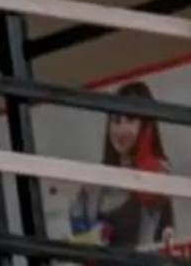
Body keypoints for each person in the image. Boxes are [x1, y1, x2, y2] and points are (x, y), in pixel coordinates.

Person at [66, 86, 176, 250]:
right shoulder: (94, 186)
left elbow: (163, 238)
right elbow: (77, 235)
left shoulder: (156, 178)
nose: (121, 130)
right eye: (116, 121)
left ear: (146, 127)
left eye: (130, 120)